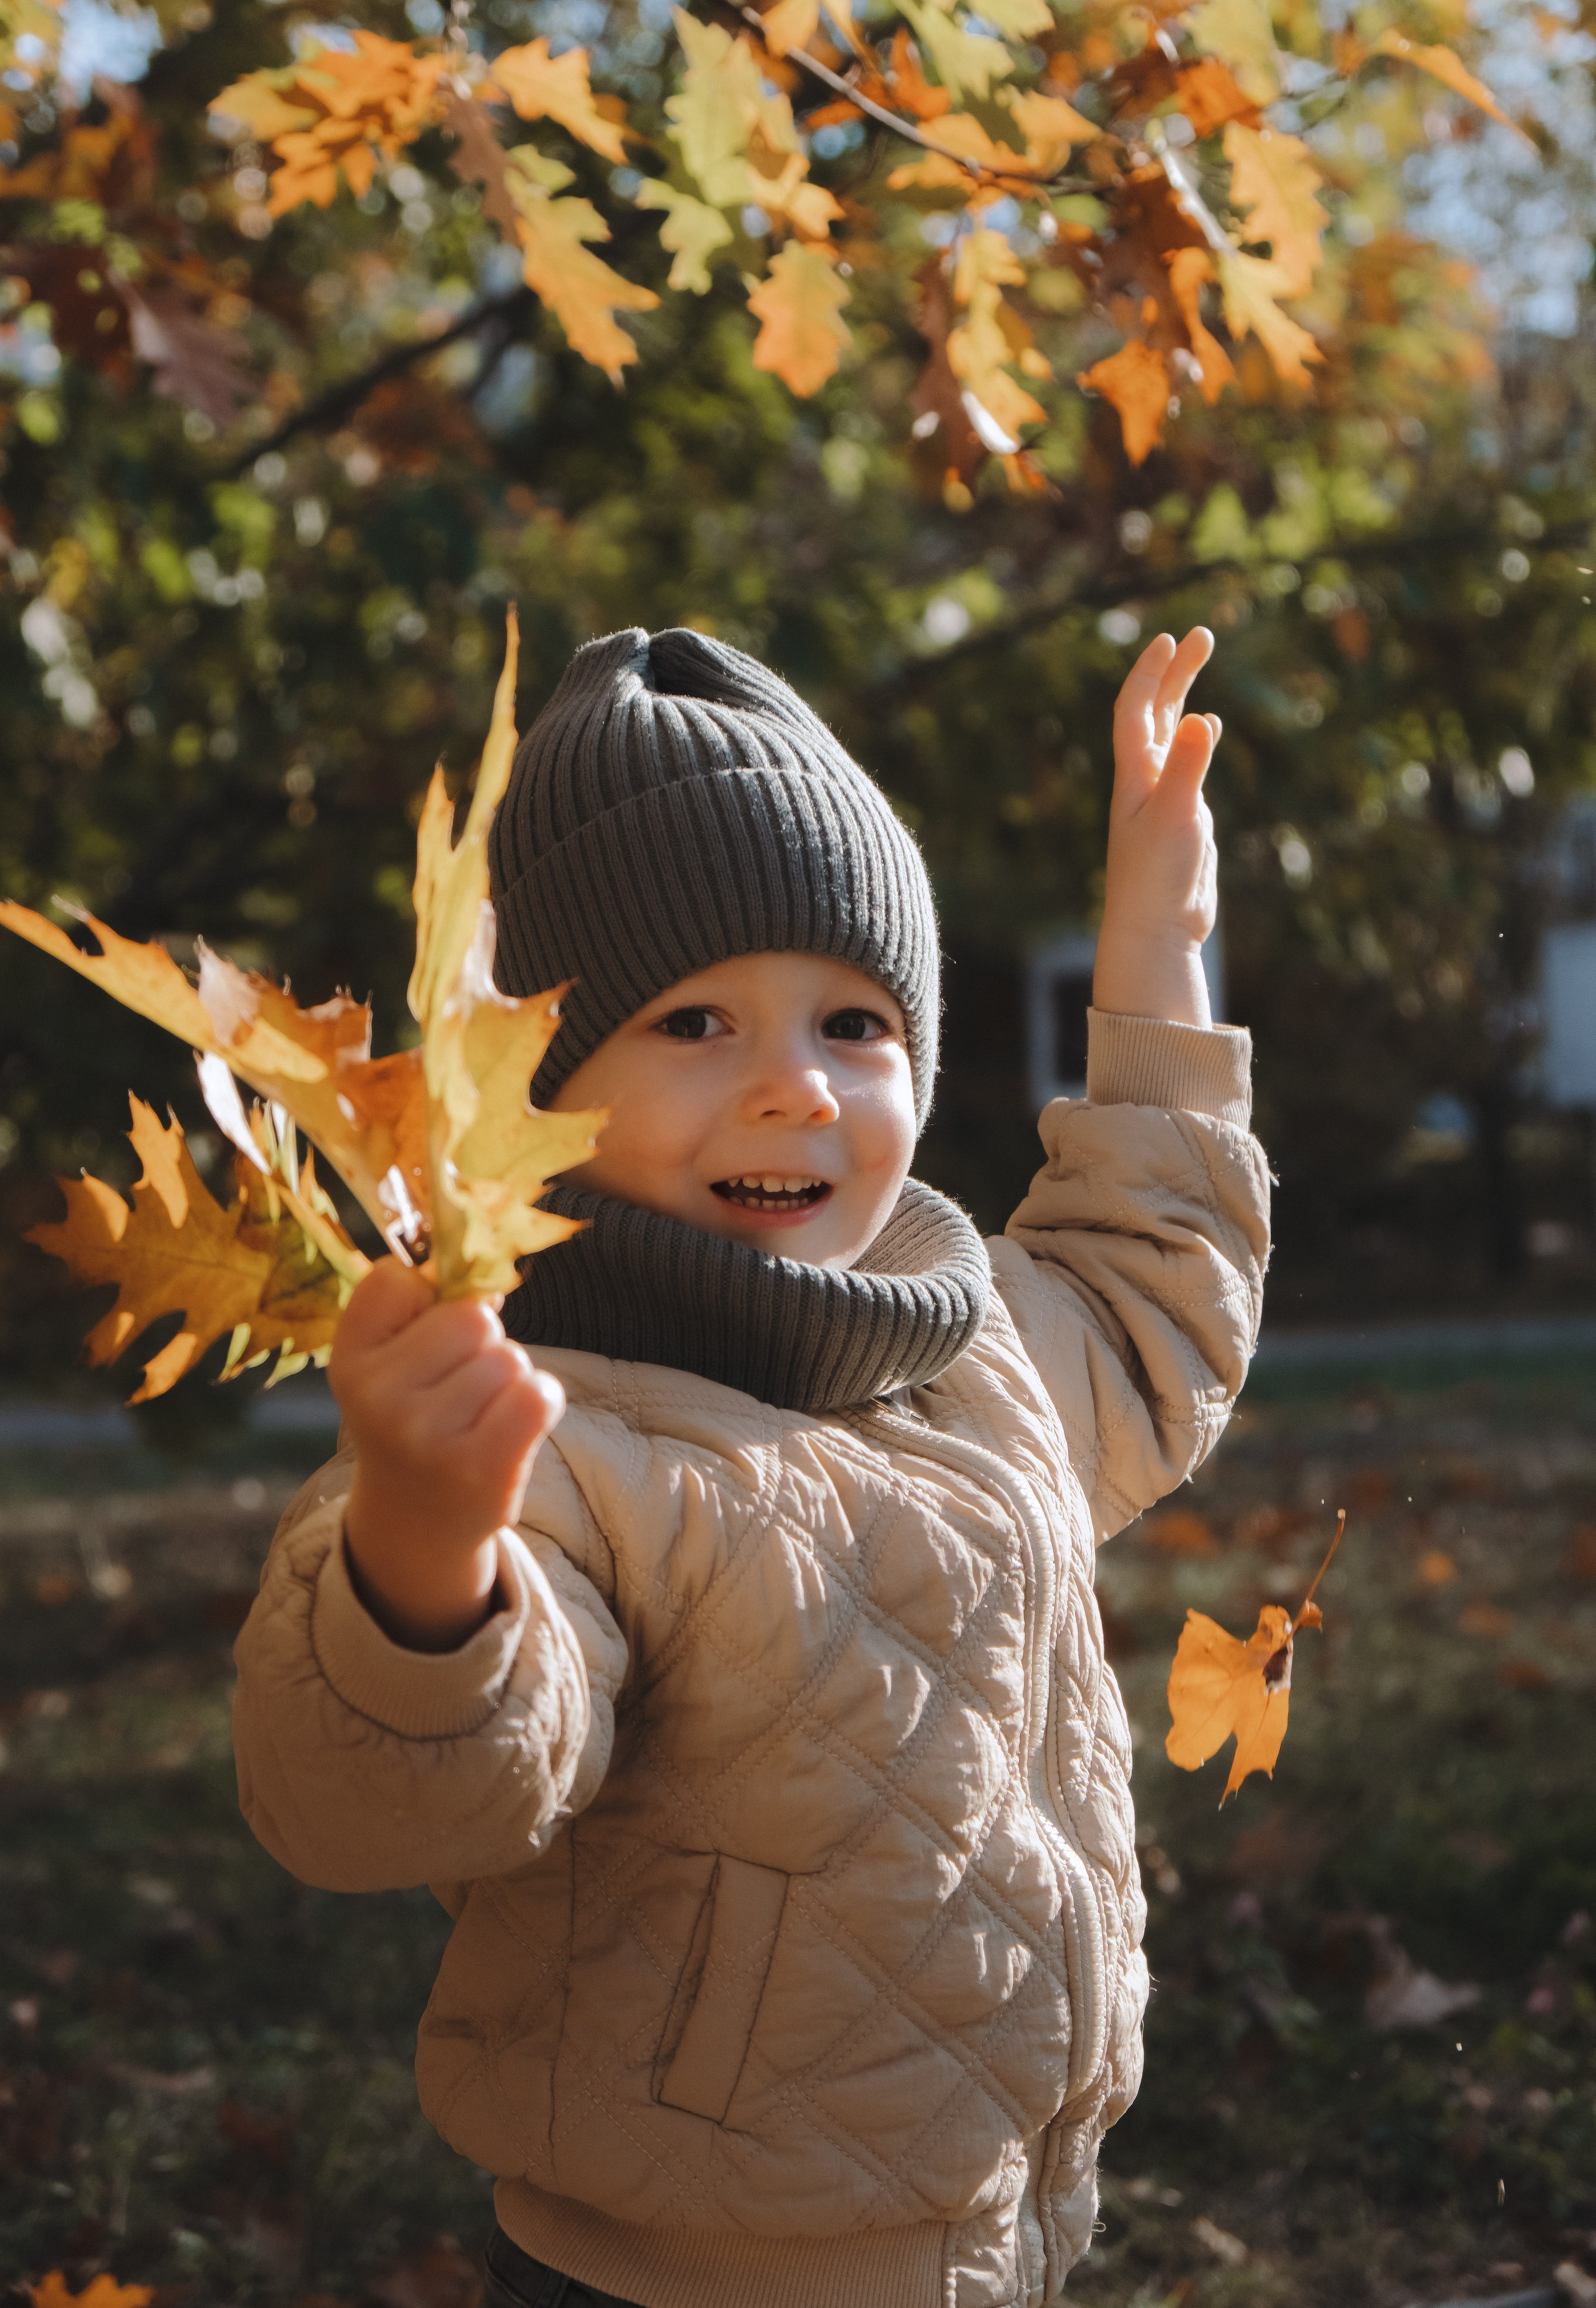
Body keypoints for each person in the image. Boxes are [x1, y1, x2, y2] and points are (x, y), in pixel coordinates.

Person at [233, 622, 1268, 2308]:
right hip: (681, 2269)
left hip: (993, 2225)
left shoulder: (972, 1338)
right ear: (542, 1096)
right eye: (697, 1020)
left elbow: (1153, 1285)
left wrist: (1159, 944)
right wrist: (425, 1548)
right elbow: (391, 1792)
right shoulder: (560, 1425)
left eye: (854, 1022)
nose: (795, 1087)